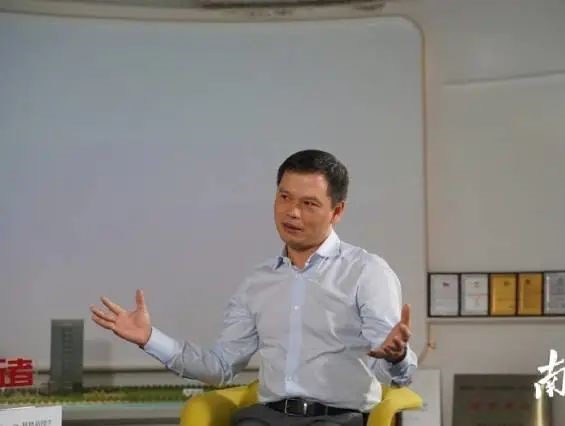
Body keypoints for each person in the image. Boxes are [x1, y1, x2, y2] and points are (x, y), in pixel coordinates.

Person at [91, 149, 416, 426]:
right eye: (284, 197)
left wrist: (397, 357)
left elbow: (393, 370)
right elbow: (220, 368)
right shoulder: (258, 283)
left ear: (337, 211)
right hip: (267, 417)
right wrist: (150, 338)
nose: (292, 212)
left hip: (336, 418)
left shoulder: (367, 272)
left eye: (309, 204)